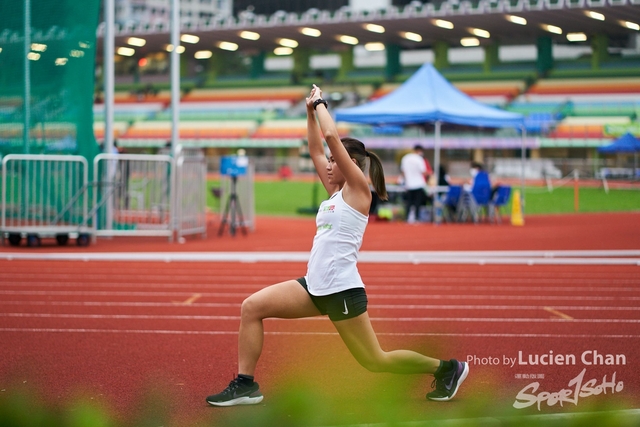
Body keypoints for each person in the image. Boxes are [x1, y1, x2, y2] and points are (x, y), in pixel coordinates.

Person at [205, 84, 468, 407]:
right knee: (252, 308)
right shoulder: (334, 194)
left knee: (375, 360)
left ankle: (447, 368)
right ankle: (245, 384)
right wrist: (308, 113)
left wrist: (320, 104)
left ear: (350, 163)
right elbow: (317, 149)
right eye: (329, 161)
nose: (327, 164)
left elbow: (330, 140)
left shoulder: (359, 190)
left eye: (334, 161)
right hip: (314, 287)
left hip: (342, 290)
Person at [400, 145, 431, 223]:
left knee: (409, 202)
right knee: (417, 202)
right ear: (419, 151)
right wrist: (430, 173)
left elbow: (403, 172)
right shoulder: (419, 159)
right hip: (418, 184)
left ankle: (407, 218)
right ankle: (416, 218)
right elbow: (423, 172)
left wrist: (405, 180)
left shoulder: (405, 158)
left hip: (409, 184)